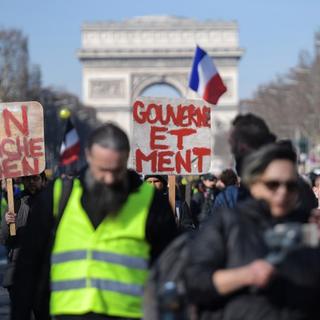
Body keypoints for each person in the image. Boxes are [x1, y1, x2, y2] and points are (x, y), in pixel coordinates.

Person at [11, 123, 178, 320]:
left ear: (126, 160)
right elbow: (28, 264)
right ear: (89, 156)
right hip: (66, 314)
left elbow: (171, 269)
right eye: (102, 170)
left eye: (117, 171)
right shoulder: (56, 196)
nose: (108, 179)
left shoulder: (151, 202)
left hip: (128, 314)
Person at [185, 143, 320, 320]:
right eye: (273, 184)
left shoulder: (306, 225)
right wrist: (246, 275)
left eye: (291, 186)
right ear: (253, 183)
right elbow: (194, 282)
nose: (282, 192)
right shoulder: (228, 222)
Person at [0, 172, 47, 303]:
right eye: (27, 179)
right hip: (19, 273)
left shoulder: (52, 201)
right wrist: (6, 222)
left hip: (44, 273)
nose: (31, 182)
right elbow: (4, 239)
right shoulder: (14, 203)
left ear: (43, 180)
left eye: (35, 178)